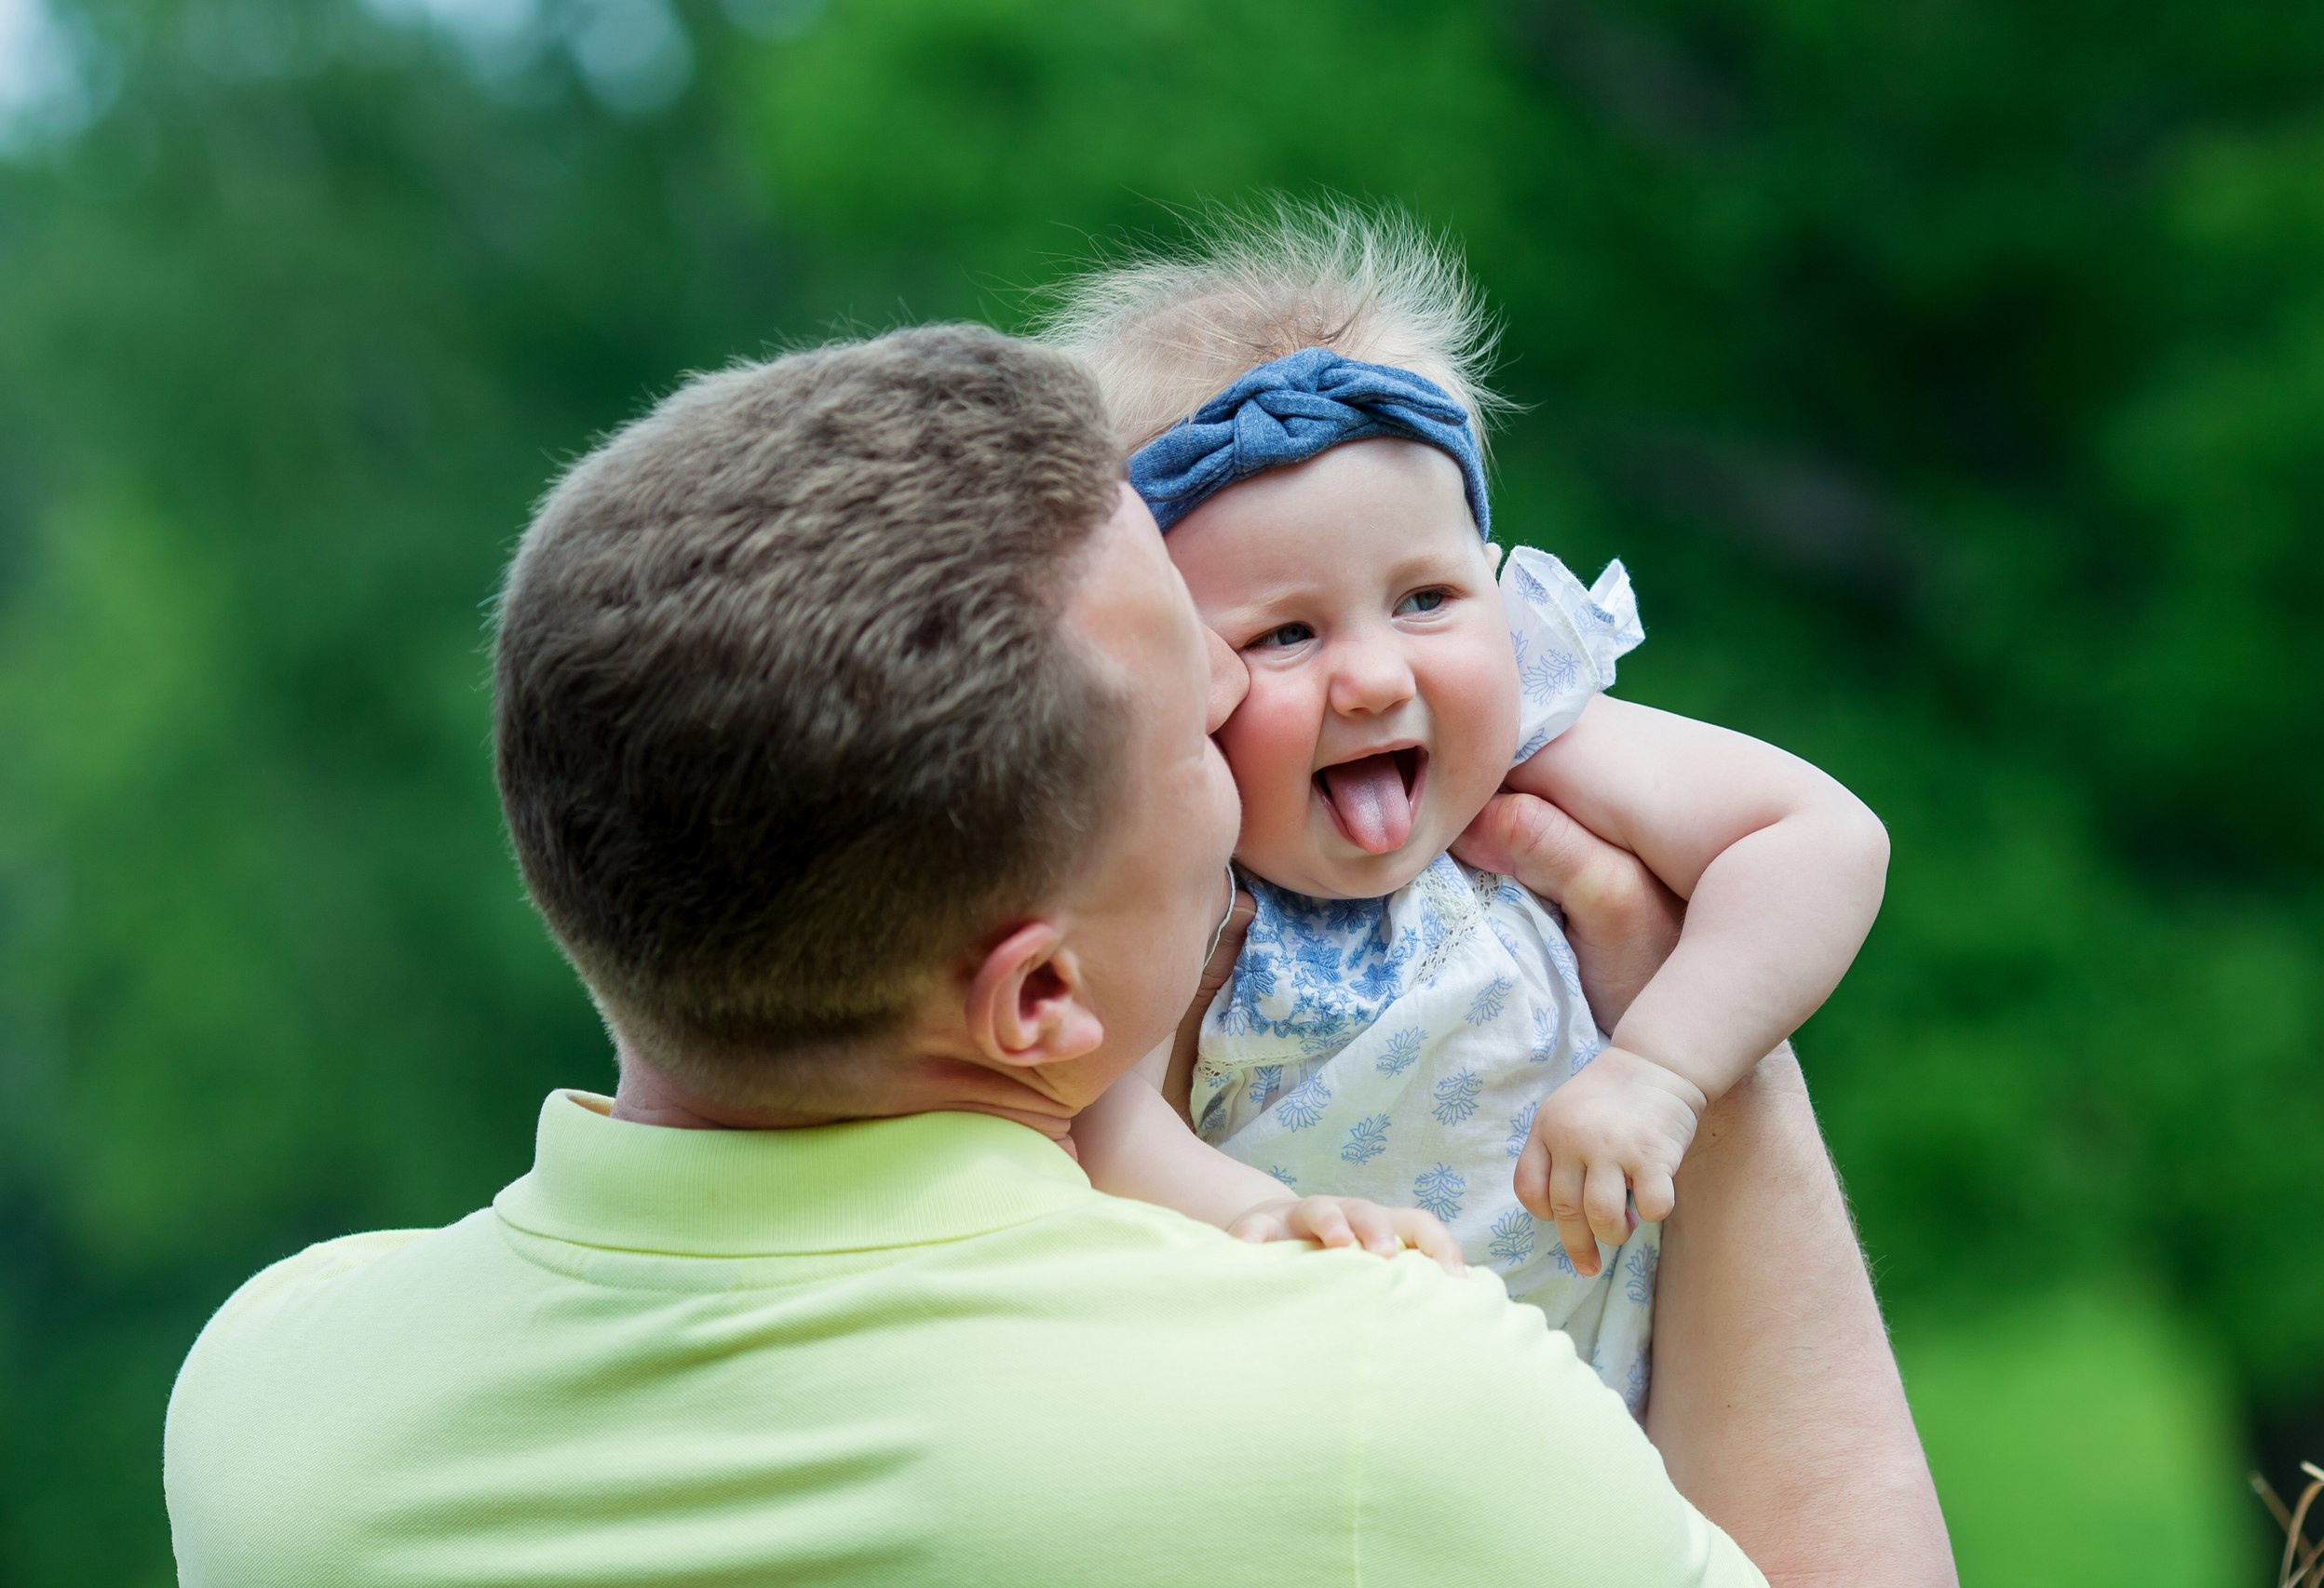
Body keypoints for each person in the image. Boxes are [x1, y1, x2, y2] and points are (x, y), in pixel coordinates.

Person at [163, 323, 1954, 1585]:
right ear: (1039, 997)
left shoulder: (272, 1406)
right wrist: (1678, 1029)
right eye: (1206, 718)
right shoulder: (1381, 1412)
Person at [1046, 206, 1890, 1408]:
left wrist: (1660, 1068)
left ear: (1498, 587)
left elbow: (1818, 839)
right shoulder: (1177, 894)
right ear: (1180, 678)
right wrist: (1265, 1222)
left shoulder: (1530, 747)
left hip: (1649, 1417)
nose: (1379, 675)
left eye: (1427, 597)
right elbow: (1105, 1126)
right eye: (1287, 631)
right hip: (1362, 1412)